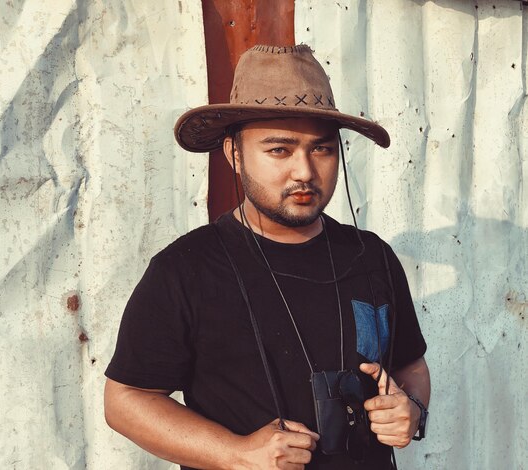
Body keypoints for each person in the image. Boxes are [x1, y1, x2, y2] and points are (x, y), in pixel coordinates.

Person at [104, 44, 430, 470]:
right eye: (279, 150)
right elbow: (126, 400)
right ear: (234, 154)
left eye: (322, 149)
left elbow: (410, 365)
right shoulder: (185, 268)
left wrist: (412, 412)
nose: (305, 172)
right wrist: (236, 453)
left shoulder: (372, 256)